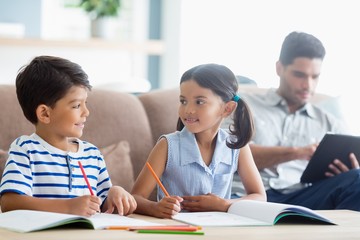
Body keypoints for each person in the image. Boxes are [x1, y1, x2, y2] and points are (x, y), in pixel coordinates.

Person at [230, 31, 360, 210]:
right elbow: (228, 154)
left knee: (357, 179)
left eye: (315, 77)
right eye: (300, 75)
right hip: (247, 196)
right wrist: (297, 152)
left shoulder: (330, 123)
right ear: (279, 68)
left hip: (301, 197)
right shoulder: (242, 106)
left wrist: (349, 171)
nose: (308, 85)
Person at [0, 55, 137, 217]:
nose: (86, 112)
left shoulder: (92, 154)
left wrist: (115, 193)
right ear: (45, 113)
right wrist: (67, 207)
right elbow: (10, 202)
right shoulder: (25, 149)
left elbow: (102, 203)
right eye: (77, 105)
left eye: (86, 103)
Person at [131, 63, 266, 219]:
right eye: (183, 101)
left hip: (221, 230)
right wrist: (155, 208)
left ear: (227, 109)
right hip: (177, 229)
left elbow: (259, 196)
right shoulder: (167, 146)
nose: (188, 110)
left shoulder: (237, 147)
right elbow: (135, 197)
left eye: (199, 102)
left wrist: (224, 205)